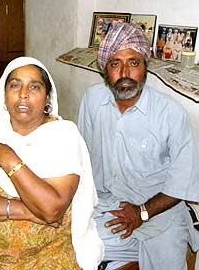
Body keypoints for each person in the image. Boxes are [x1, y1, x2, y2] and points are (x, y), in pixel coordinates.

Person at [0, 57, 104, 269]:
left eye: (34, 86)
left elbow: (51, 209)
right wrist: (27, 211)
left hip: (46, 259)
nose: (23, 94)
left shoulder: (64, 137)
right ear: (4, 96)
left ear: (47, 98)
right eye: (15, 85)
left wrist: (9, 160)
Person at [78, 22, 199, 270]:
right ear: (105, 70)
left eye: (134, 63)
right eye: (115, 63)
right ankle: (121, 258)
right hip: (109, 206)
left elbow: (182, 183)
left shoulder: (171, 114)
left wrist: (142, 212)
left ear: (145, 67)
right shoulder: (92, 100)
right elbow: (83, 158)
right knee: (74, 246)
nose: (124, 73)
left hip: (159, 216)